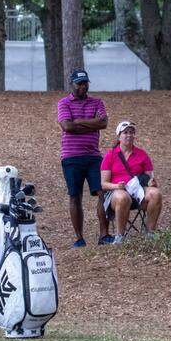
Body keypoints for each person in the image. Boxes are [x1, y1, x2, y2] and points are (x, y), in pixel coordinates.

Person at [57, 69, 108, 248]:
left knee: (103, 193)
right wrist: (91, 124)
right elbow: (67, 126)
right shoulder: (64, 103)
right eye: (79, 83)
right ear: (72, 84)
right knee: (74, 196)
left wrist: (78, 121)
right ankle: (79, 238)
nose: (83, 87)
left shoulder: (97, 102)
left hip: (94, 156)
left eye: (85, 83)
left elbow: (104, 123)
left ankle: (104, 235)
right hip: (71, 157)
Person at [98, 121, 163, 244]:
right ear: (119, 136)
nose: (129, 135)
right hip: (117, 193)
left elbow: (149, 179)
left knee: (156, 193)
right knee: (123, 197)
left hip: (137, 192)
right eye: (125, 132)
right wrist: (117, 186)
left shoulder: (142, 154)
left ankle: (150, 233)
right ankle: (120, 236)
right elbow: (103, 184)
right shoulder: (110, 155)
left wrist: (151, 183)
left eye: (132, 132)